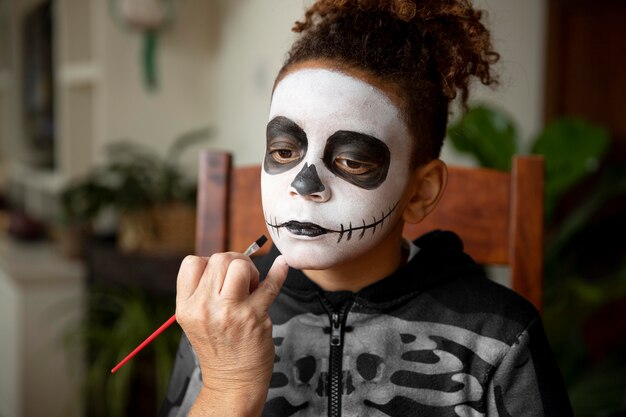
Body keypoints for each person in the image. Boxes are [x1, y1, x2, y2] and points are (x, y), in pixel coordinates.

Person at [160, 0, 573, 416]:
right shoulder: (222, 315)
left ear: (420, 193)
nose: (304, 186)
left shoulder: (500, 337)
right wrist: (228, 385)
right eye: (284, 150)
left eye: (352, 161)